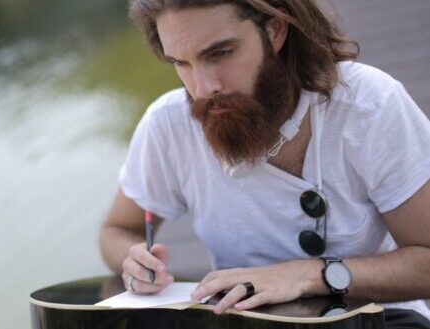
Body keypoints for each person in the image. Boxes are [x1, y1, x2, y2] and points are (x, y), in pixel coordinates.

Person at [98, 0, 430, 324]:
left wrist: (305, 275)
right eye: (180, 63)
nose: (203, 88)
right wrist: (134, 260)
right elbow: (117, 231)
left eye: (220, 53)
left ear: (275, 29)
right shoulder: (168, 124)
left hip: (372, 317)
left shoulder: (368, 104)